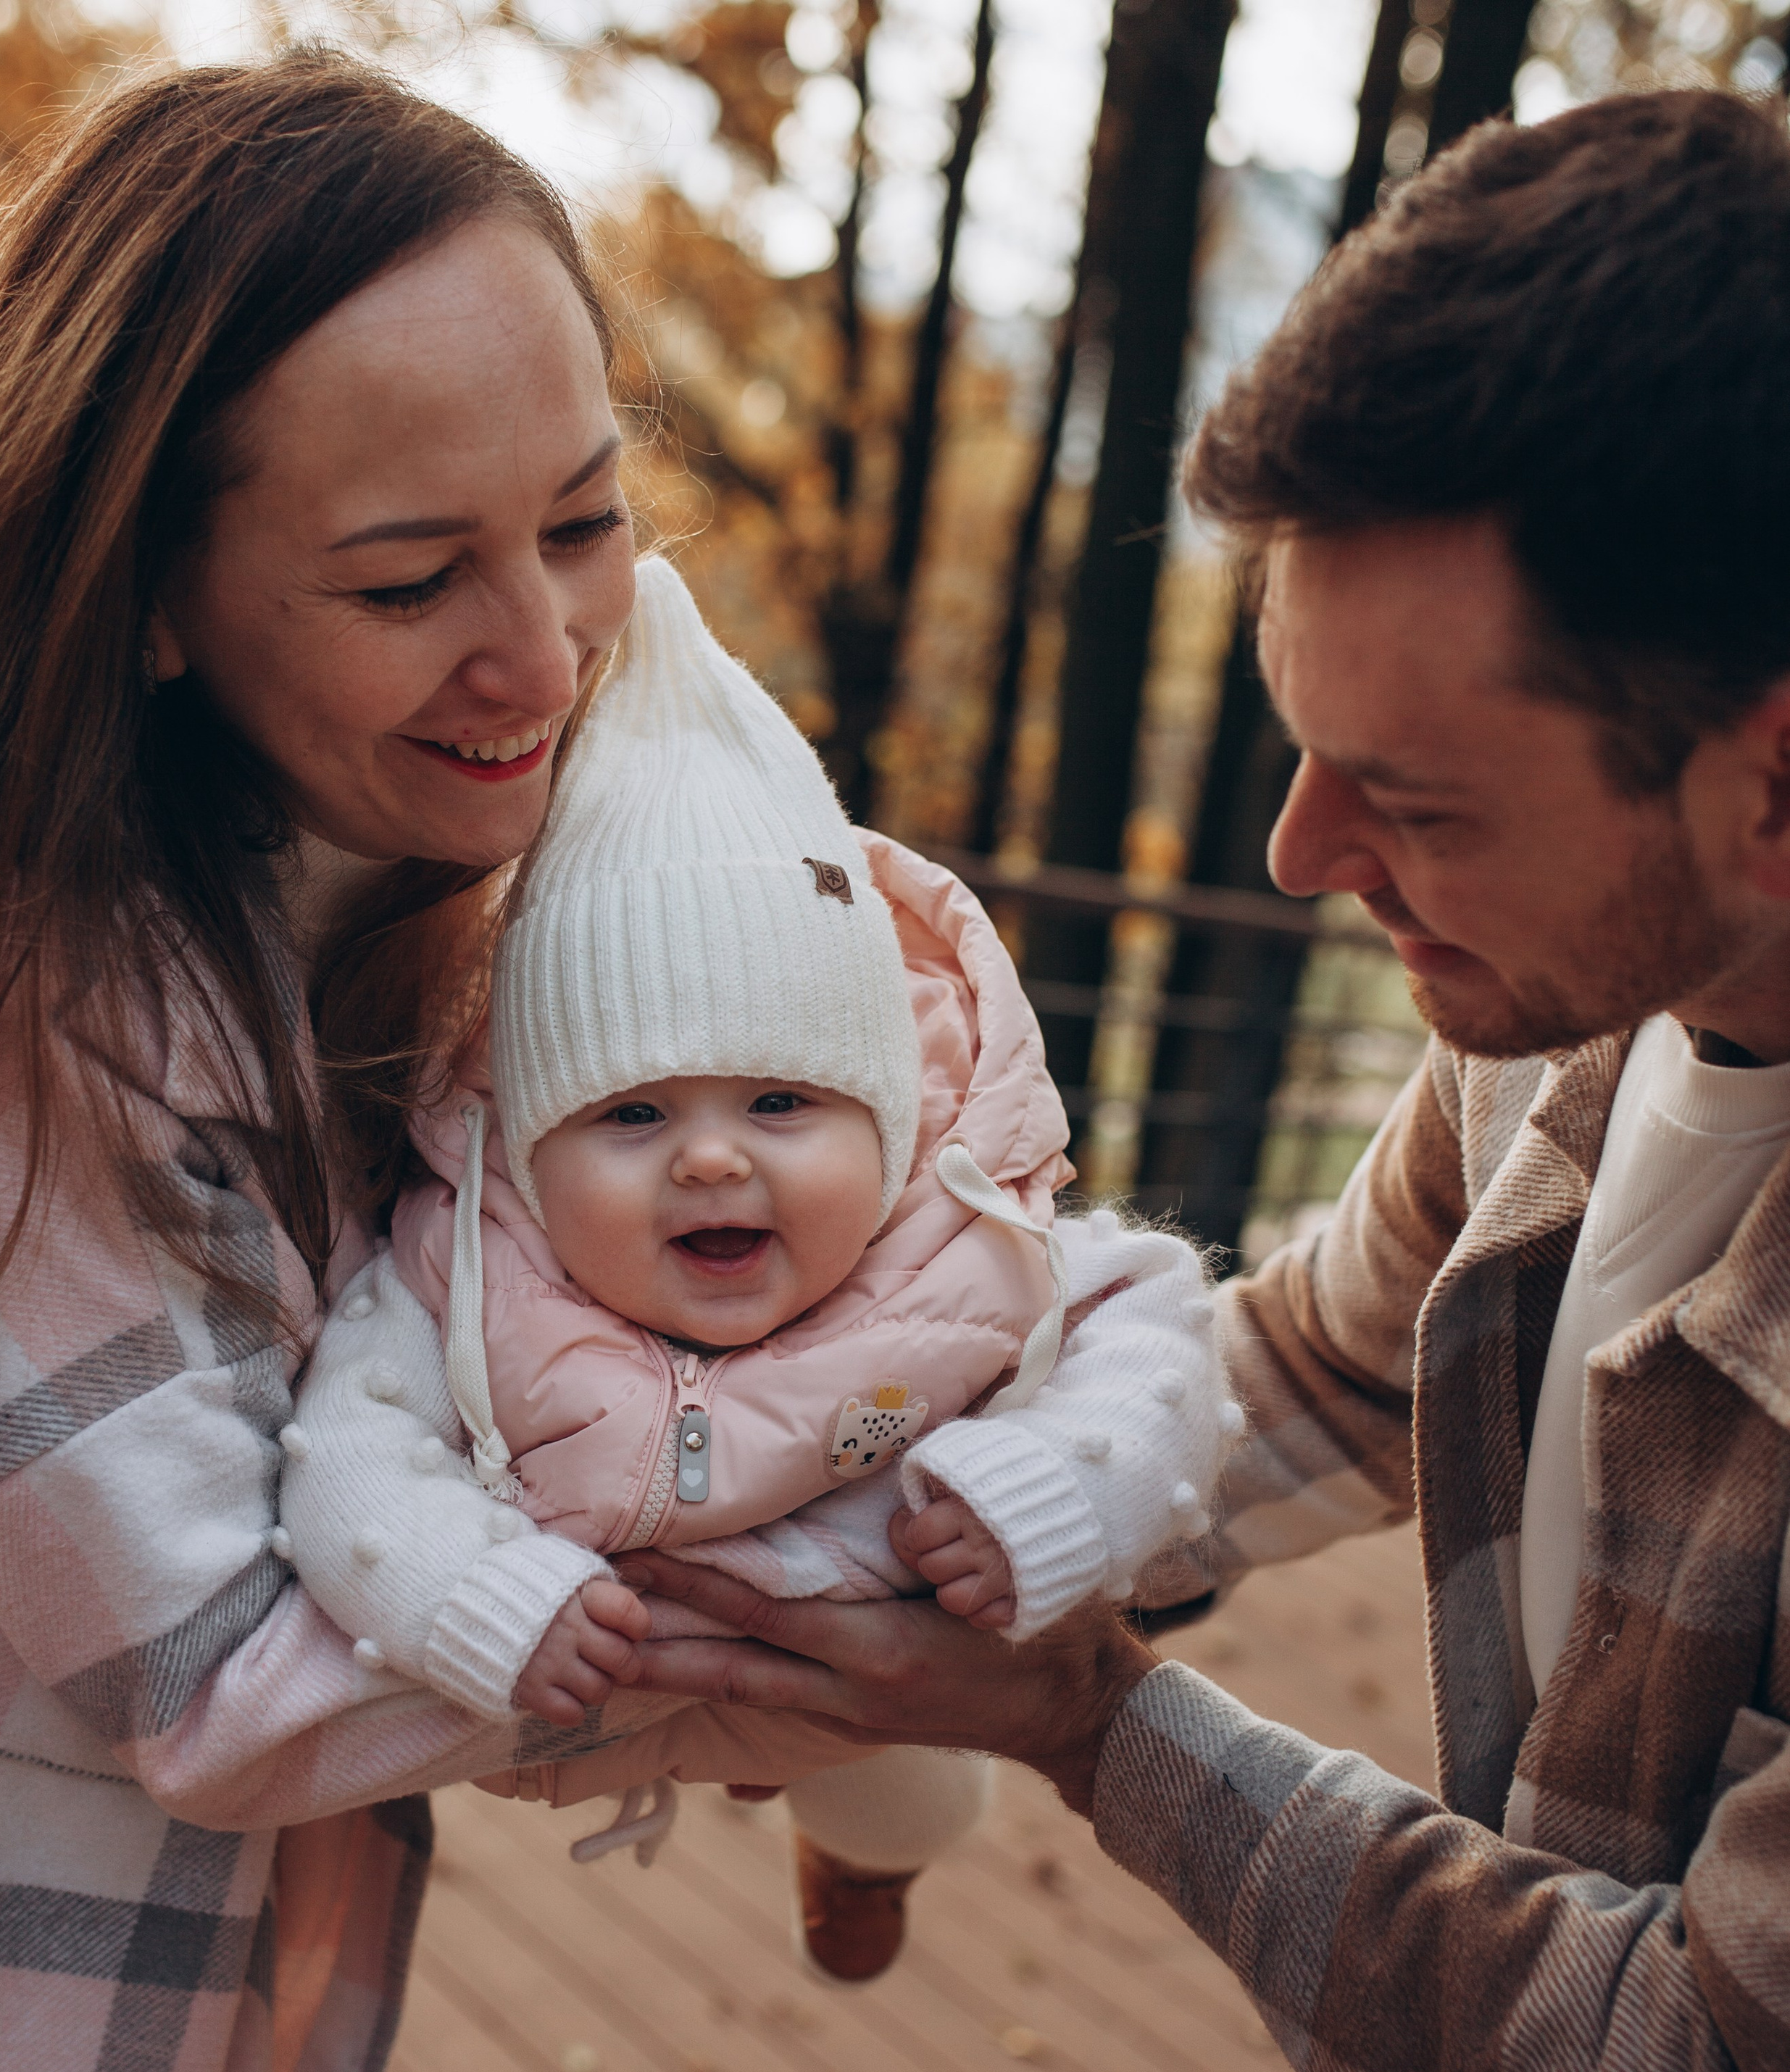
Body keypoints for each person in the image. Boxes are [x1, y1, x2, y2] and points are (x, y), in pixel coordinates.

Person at [607, 88, 1790, 2072]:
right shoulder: (1574, 1031)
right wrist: (888, 1475)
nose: (1290, 852)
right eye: (1296, 742)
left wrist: (1088, 1725)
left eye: (1417, 802)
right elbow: (1302, 1369)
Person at [0, 51, 986, 2072]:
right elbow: (213, 1671)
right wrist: (823, 1656)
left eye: (587, 518)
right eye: (414, 575)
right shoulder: (25, 1019)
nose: (543, 650)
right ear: (149, 593)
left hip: (111, 2010)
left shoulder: (466, 920)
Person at [276, 550, 1237, 1973]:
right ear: (528, 1151)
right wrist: (472, 1590)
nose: (714, 1160)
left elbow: (1162, 1334)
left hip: (885, 1671)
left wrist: (1049, 1498)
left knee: (910, 1803)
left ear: (888, 1117)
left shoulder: (956, 1235)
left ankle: (864, 1873)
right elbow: (346, 1454)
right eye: (631, 1114)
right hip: (596, 1680)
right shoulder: (465, 1275)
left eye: (781, 1105)